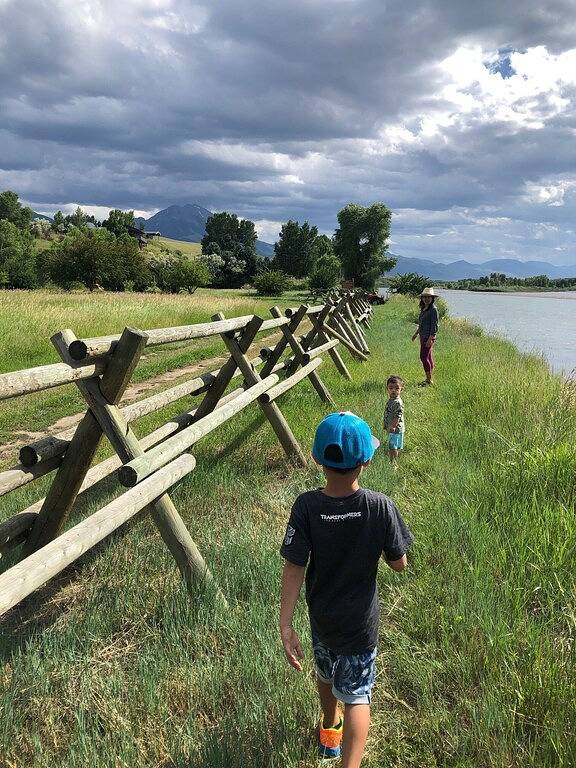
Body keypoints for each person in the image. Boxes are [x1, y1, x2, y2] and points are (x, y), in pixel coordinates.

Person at [279, 412, 413, 767]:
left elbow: (294, 565)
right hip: (360, 624)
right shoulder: (379, 506)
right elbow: (399, 563)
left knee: (325, 674)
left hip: (322, 618)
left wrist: (286, 623)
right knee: (357, 695)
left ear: (316, 459)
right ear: (366, 460)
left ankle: (328, 730)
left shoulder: (306, 506)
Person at [411, 287, 439, 385]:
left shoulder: (433, 310)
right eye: (424, 297)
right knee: (428, 356)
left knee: (423, 357)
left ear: (432, 298)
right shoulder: (424, 308)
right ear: (422, 298)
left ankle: (429, 380)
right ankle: (430, 378)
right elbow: (422, 324)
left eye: (428, 297)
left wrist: (430, 339)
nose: (426, 299)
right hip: (423, 336)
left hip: (428, 337)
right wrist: (416, 333)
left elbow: (434, 326)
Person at [384, 375, 404, 466]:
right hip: (392, 427)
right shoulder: (392, 400)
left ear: (401, 389)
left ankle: (394, 463)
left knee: (393, 446)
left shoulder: (397, 402)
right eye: (391, 388)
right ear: (387, 389)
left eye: (397, 388)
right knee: (393, 445)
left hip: (395, 429)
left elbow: (397, 415)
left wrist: (392, 426)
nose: (393, 390)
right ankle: (393, 456)